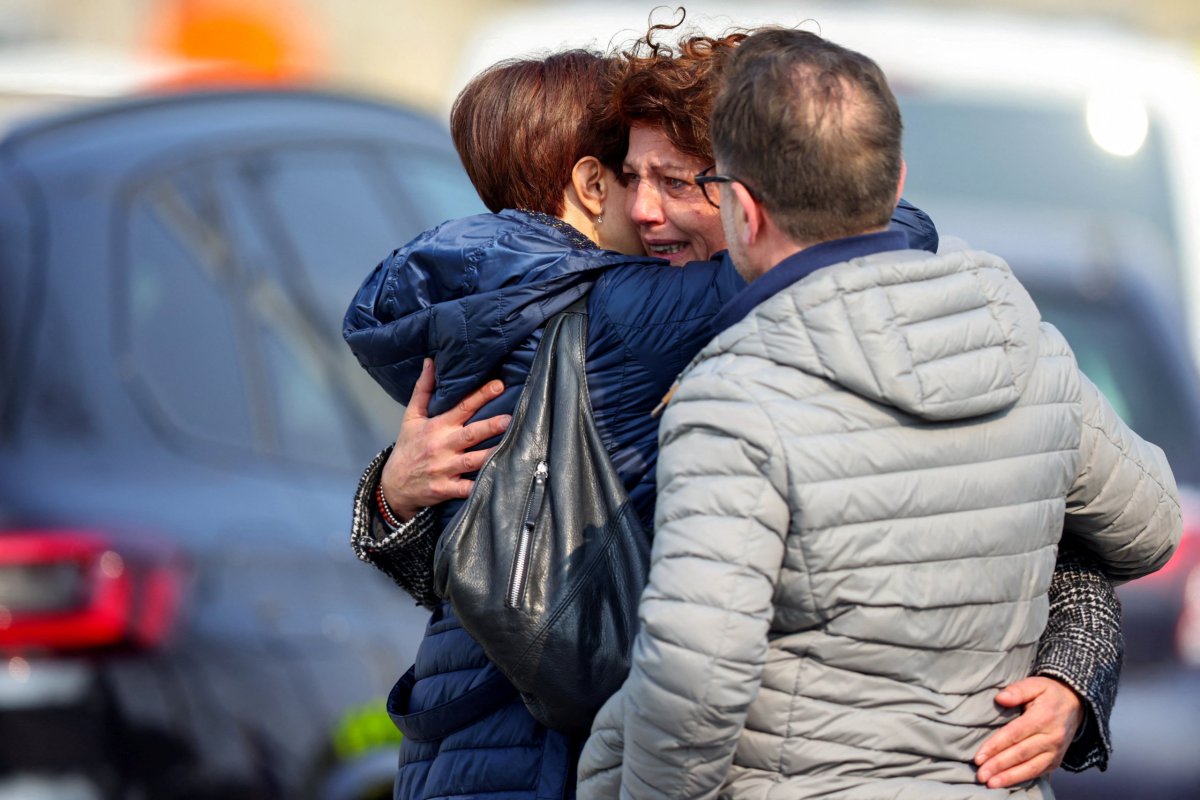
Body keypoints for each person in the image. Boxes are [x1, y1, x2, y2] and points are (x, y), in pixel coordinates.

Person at [363, 21, 1127, 791]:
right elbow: (520, 564)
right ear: (593, 184)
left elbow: (1023, 525)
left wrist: (1073, 671)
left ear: (743, 190)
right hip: (545, 758)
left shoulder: (878, 335)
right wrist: (396, 500)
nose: (650, 207)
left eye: (678, 179)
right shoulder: (613, 315)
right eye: (635, 177)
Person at [575, 27, 1182, 800]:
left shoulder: (737, 391)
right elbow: (1153, 523)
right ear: (896, 183)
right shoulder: (1017, 335)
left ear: (746, 213)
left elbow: (694, 683)